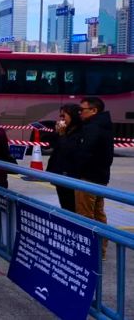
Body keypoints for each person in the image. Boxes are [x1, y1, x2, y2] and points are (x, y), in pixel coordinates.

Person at [76, 97, 114, 259]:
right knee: (98, 214)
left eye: (82, 110)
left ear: (93, 110)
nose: (80, 113)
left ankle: (90, 252)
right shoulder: (103, 125)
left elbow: (85, 152)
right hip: (101, 177)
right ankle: (101, 251)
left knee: (86, 214)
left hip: (88, 177)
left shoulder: (93, 128)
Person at [45, 104, 83, 212]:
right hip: (59, 174)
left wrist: (62, 135)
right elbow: (55, 147)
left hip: (71, 176)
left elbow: (68, 150)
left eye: (64, 116)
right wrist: (58, 133)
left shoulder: (80, 132)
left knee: (71, 207)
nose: (61, 120)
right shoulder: (66, 131)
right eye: (60, 117)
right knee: (65, 206)